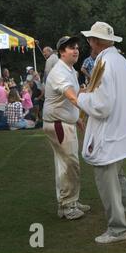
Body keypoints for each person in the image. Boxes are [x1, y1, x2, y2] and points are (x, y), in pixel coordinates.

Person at [77, 21, 126, 244]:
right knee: (116, 176)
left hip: (109, 133)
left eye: (90, 39)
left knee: (107, 180)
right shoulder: (120, 62)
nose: (88, 43)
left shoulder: (105, 63)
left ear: (95, 41)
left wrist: (79, 98)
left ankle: (118, 229)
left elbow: (102, 105)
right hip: (121, 130)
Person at [42, 36, 90, 221]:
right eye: (71, 48)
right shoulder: (60, 71)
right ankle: (67, 205)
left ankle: (71, 201)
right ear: (62, 51)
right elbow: (71, 96)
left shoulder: (70, 70)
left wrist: (77, 117)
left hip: (64, 122)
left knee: (66, 164)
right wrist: (86, 105)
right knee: (69, 165)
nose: (76, 50)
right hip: (58, 124)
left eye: (77, 47)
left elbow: (74, 95)